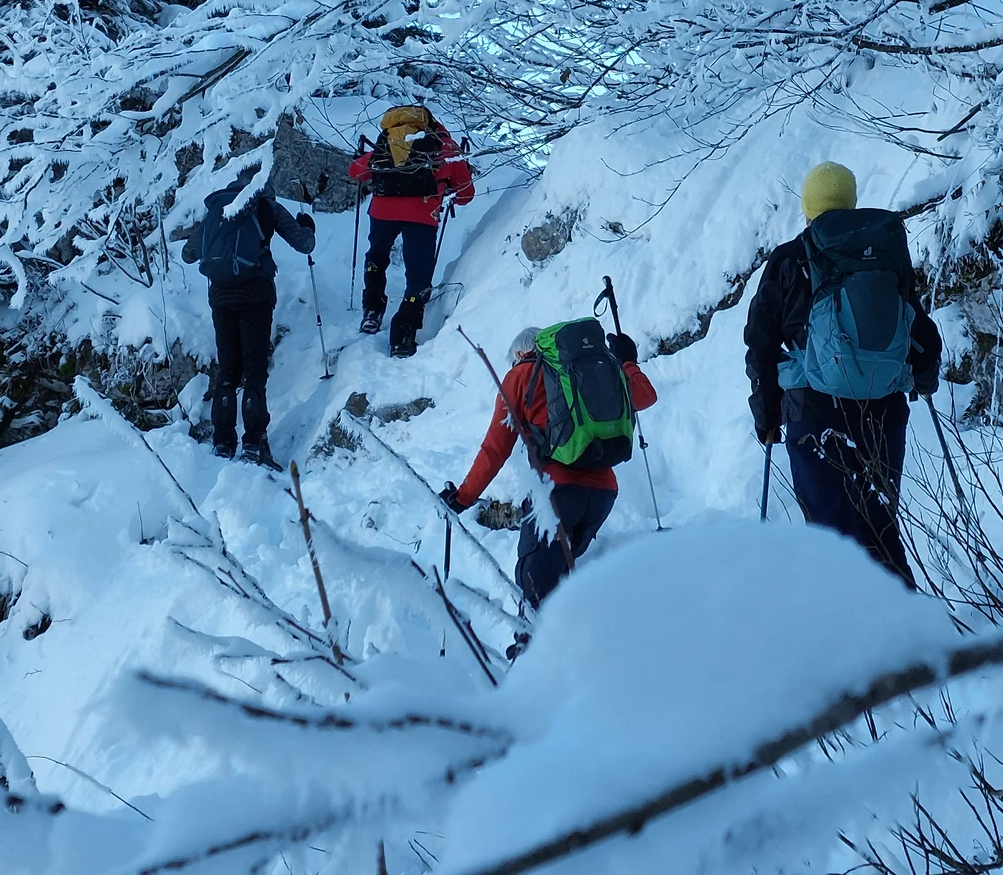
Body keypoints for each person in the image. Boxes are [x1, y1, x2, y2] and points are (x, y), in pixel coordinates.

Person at [744, 161, 941, 587]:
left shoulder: (788, 260)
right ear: (850, 201)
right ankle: (910, 634)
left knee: (831, 536)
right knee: (880, 528)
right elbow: (919, 329)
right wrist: (923, 381)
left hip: (813, 413)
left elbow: (760, 345)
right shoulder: (882, 254)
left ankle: (854, 641)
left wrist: (767, 417)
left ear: (808, 208)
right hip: (883, 411)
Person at [441, 324, 657, 608]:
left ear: (521, 352)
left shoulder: (521, 375)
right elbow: (646, 396)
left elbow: (495, 447)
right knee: (564, 587)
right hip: (603, 495)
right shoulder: (589, 373)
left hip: (555, 496)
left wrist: (462, 498)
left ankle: (534, 650)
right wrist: (627, 361)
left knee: (536, 592)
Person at [180, 174, 316, 466]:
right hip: (256, 294)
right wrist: (307, 228)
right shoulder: (266, 205)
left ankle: (222, 441)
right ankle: (253, 442)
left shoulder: (220, 208)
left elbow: (188, 253)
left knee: (228, 368)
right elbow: (304, 245)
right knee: (254, 369)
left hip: (220, 296)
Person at [345, 105, 474, 358]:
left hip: (382, 211)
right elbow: (465, 194)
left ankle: (372, 310)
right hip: (422, 216)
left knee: (377, 256)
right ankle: (403, 335)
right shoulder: (444, 148)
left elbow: (355, 172)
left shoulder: (389, 143)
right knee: (418, 277)